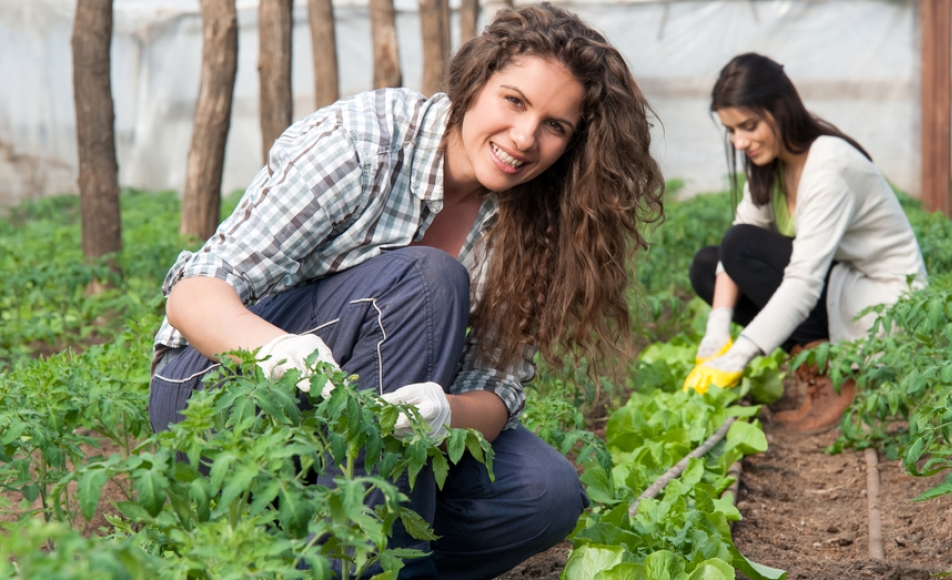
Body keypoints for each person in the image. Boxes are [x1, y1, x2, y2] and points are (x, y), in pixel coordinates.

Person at [147, 4, 664, 578]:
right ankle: (373, 566)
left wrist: (442, 413)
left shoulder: (538, 223)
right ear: (475, 82)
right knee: (427, 279)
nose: (524, 138)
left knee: (544, 493)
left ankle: (316, 556)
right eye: (514, 101)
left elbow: (497, 389)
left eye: (555, 126)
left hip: (351, 432)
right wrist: (276, 352)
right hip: (222, 391)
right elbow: (194, 292)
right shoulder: (364, 141)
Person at [682, 53, 927, 432]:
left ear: (780, 109)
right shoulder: (772, 164)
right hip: (838, 287)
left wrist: (742, 352)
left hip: (881, 304)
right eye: (731, 130)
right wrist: (717, 329)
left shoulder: (829, 165)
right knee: (708, 266)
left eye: (747, 126)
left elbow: (803, 281)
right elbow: (739, 236)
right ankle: (816, 369)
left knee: (739, 247)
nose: (740, 141)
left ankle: (837, 378)